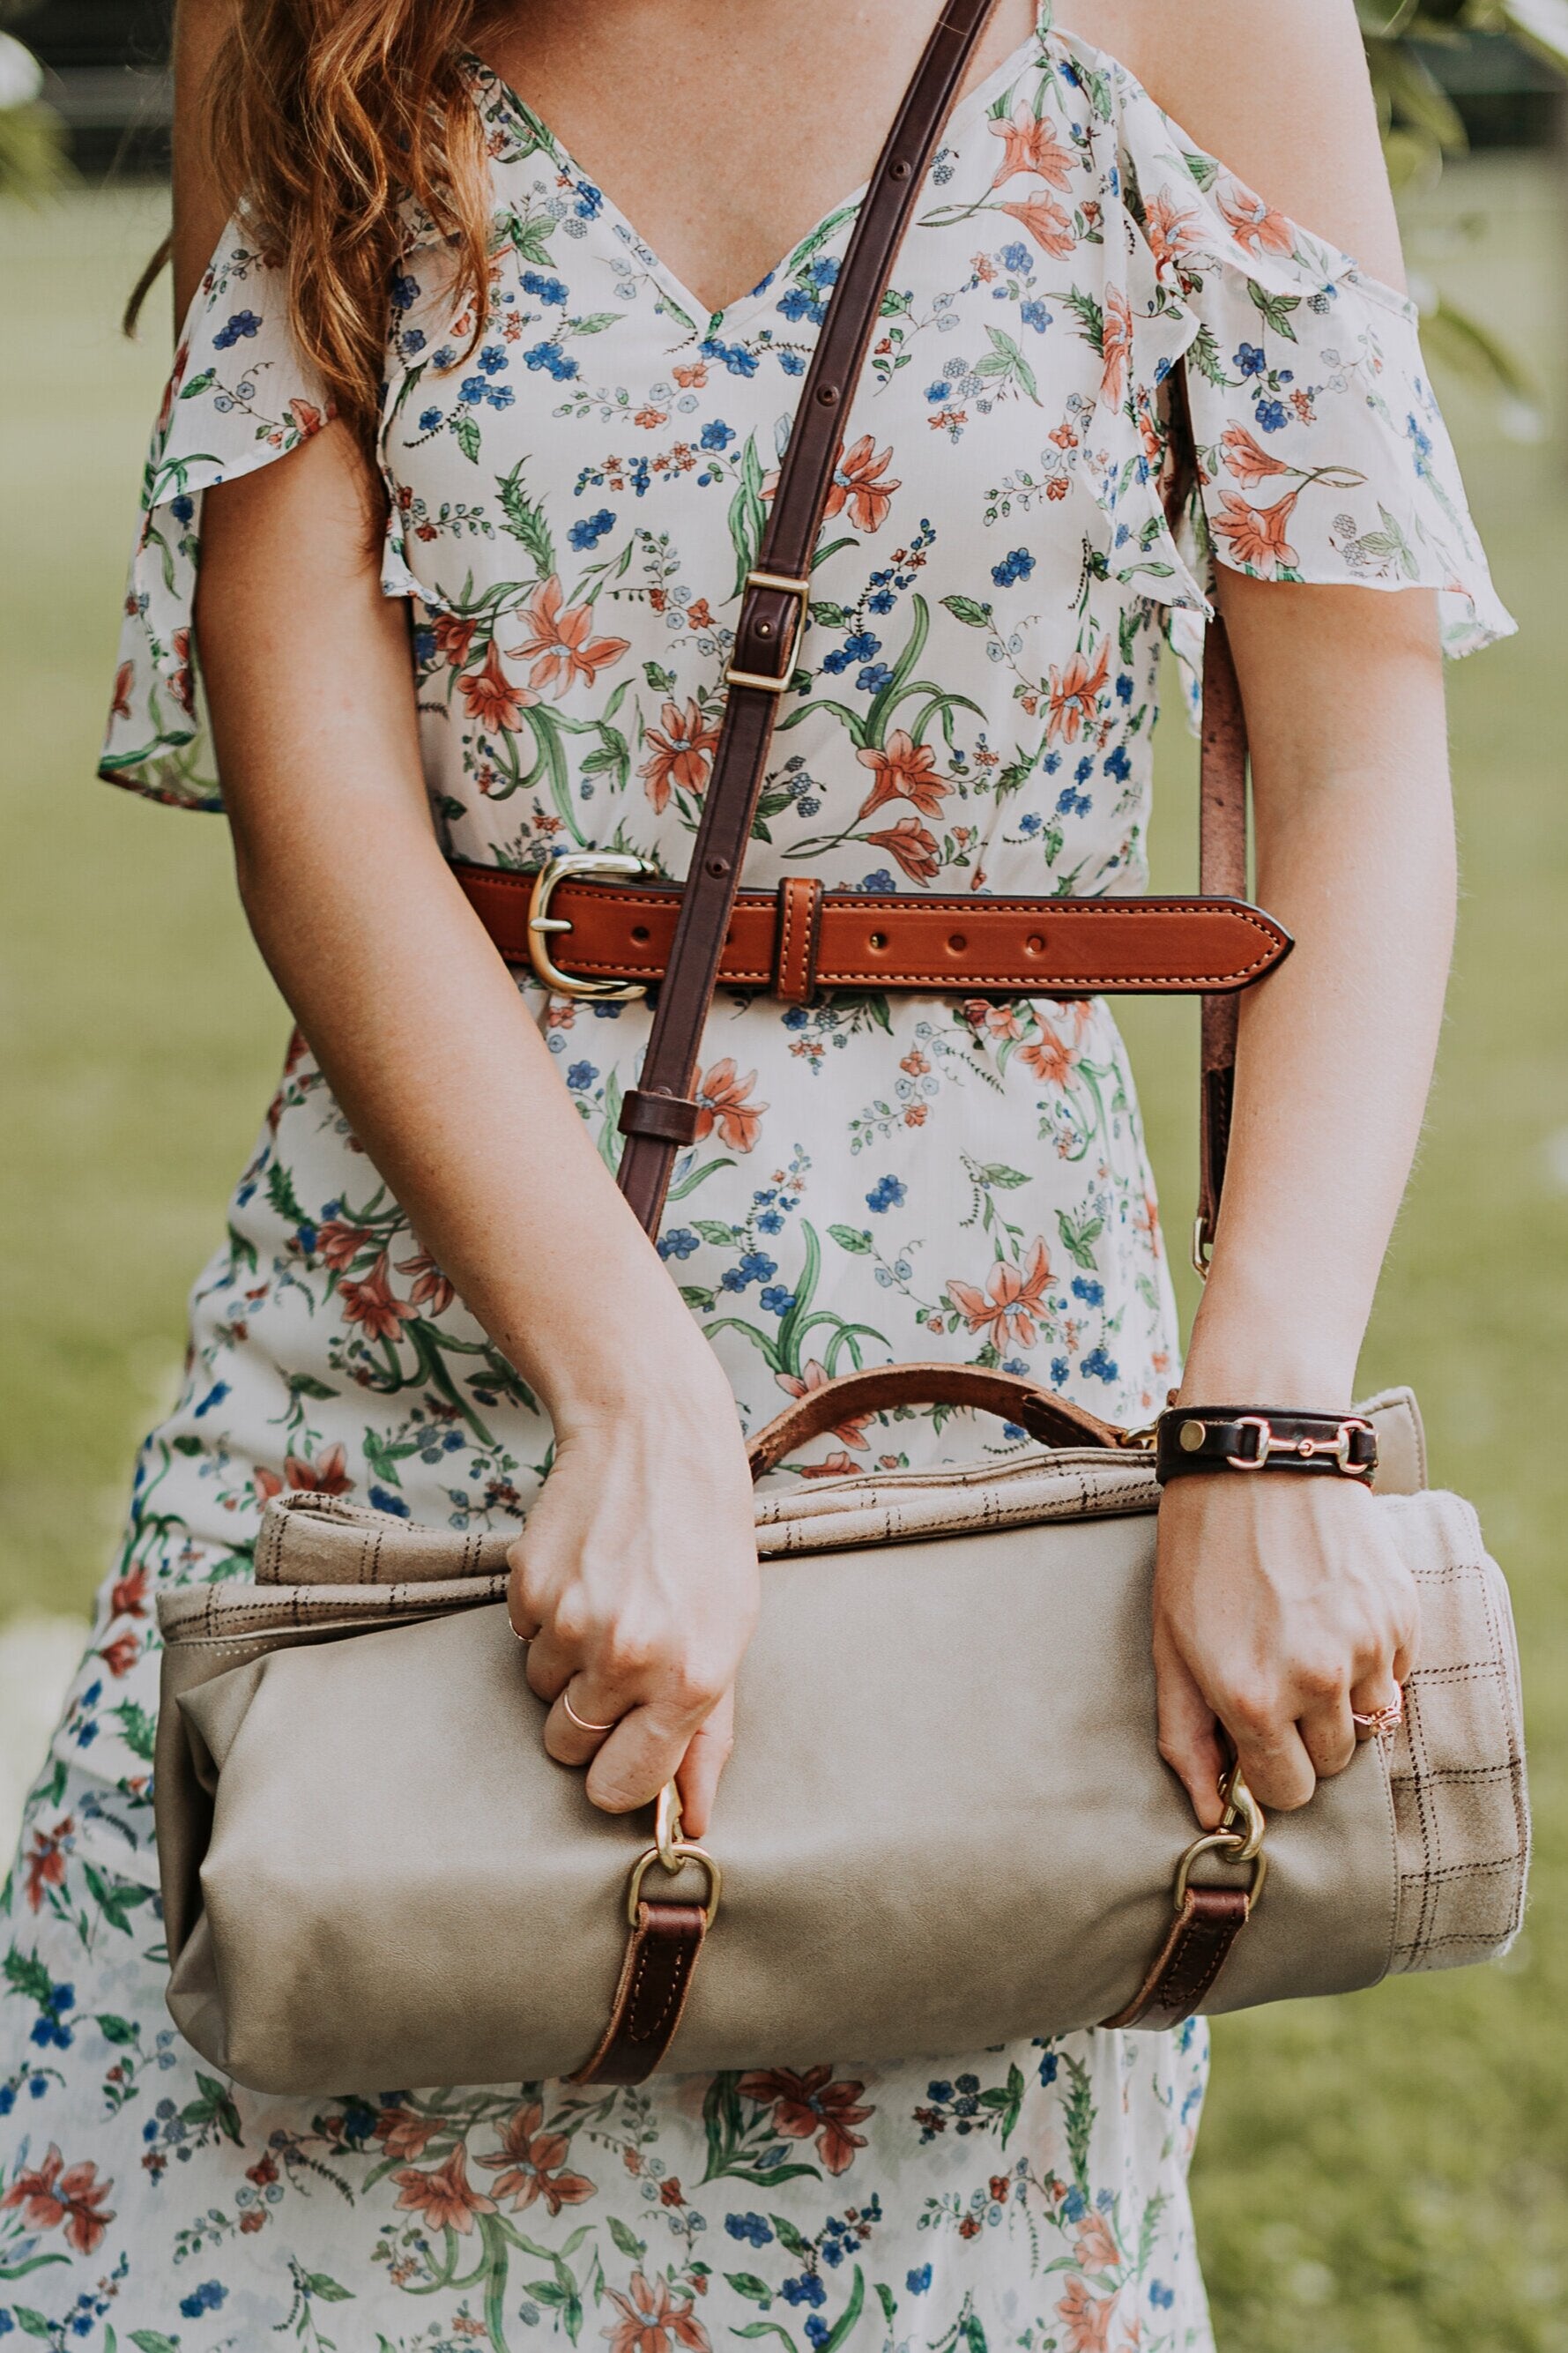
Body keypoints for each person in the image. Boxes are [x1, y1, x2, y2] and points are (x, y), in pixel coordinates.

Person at [1, 0, 1511, 2340]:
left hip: (982, 1430)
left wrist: (1267, 1409)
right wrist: (626, 1392)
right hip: (406, 1363)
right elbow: (319, 787)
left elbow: (1348, 763)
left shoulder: (1196, 14)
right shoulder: (300, 17)